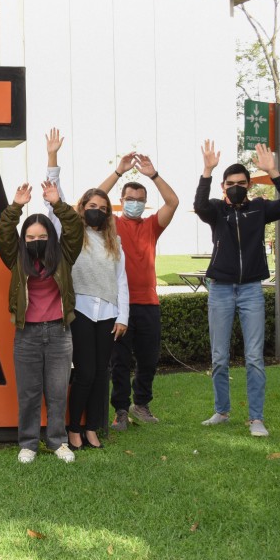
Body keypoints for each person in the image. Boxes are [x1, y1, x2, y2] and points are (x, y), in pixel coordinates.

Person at [194, 141, 280, 437]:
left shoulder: (260, 209)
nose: (236, 188)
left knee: (254, 356)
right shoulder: (216, 210)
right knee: (219, 356)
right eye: (230, 184)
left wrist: (273, 171)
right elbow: (200, 206)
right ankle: (222, 411)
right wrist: (207, 170)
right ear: (223, 187)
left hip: (252, 289)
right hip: (221, 289)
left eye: (241, 183)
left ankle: (256, 419)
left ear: (249, 185)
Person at [0, 168, 83, 464]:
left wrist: (58, 204)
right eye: (31, 237)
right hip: (27, 334)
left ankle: (57, 442)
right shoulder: (16, 258)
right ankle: (28, 444)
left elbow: (75, 229)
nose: (36, 240)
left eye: (42, 236)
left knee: (58, 392)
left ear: (51, 237)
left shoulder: (64, 255)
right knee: (30, 394)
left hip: (59, 333)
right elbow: (3, 234)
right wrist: (16, 207)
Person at [94, 150, 180, 429]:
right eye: (129, 199)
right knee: (119, 361)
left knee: (149, 359)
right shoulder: (112, 223)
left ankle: (140, 404)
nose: (134, 204)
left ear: (145, 204)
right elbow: (92, 200)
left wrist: (152, 175)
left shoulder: (152, 225)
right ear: (120, 202)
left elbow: (173, 201)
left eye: (139, 201)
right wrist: (118, 172)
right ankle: (120, 410)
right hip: (120, 304)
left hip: (149, 303)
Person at [66, 188, 129, 450]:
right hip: (80, 311)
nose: (98, 212)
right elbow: (55, 201)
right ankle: (73, 429)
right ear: (82, 207)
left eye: (104, 209)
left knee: (101, 374)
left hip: (108, 314)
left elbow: (121, 282)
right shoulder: (72, 234)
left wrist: (123, 316)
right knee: (85, 373)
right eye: (93, 206)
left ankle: (92, 428)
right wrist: (53, 157)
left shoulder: (114, 242)